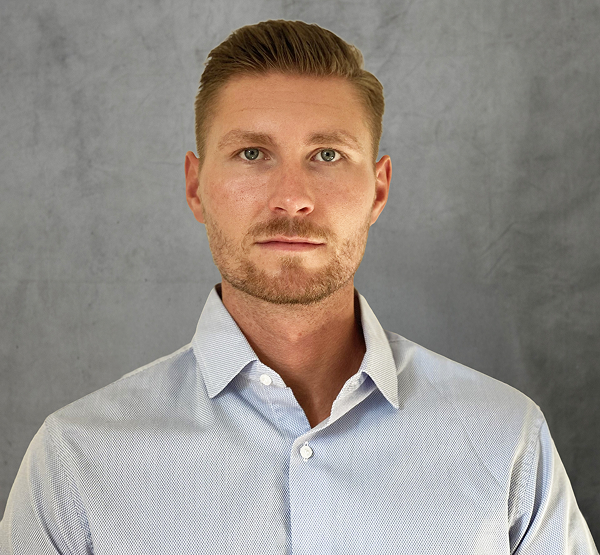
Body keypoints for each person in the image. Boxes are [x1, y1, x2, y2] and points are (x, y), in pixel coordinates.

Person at [0, 19, 597, 554]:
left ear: (379, 190)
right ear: (195, 186)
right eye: (252, 153)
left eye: (328, 155)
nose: (291, 197)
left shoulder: (505, 439)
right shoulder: (76, 462)